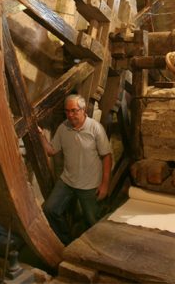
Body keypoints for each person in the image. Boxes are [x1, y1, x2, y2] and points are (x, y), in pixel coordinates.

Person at [39, 94, 112, 245]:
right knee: (50, 209)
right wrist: (41, 136)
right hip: (68, 181)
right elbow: (52, 151)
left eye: (74, 111)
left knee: (93, 221)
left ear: (83, 110)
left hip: (89, 184)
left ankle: (96, 250)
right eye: (67, 111)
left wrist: (104, 184)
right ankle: (68, 242)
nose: (70, 115)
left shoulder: (95, 128)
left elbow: (107, 156)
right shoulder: (63, 127)